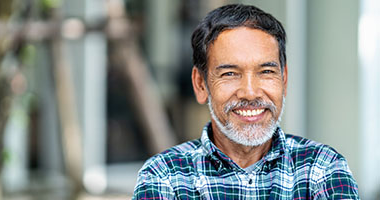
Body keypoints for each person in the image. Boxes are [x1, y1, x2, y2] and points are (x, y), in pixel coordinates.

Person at [133, 4, 359, 199]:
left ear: (284, 79)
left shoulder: (321, 168)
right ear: (201, 85)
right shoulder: (165, 176)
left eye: (266, 72)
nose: (250, 93)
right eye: (230, 74)